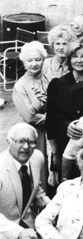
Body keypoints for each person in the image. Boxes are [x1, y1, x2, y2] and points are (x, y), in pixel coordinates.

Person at [0, 123, 49, 239]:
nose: (26, 147)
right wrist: (18, 232)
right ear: (8, 142)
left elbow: (36, 190)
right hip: (3, 228)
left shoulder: (37, 158)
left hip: (24, 221)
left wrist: (51, 205)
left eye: (31, 142)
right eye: (21, 142)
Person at [46, 37, 83, 181]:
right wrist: (66, 126)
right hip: (65, 143)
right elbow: (52, 119)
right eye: (74, 56)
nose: (79, 60)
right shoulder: (58, 84)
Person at [12, 41, 50, 177]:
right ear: (24, 62)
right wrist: (53, 118)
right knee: (38, 168)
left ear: (43, 60)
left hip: (50, 132)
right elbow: (30, 116)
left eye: (38, 59)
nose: (34, 64)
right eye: (29, 60)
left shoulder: (46, 78)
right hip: (34, 133)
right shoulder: (20, 86)